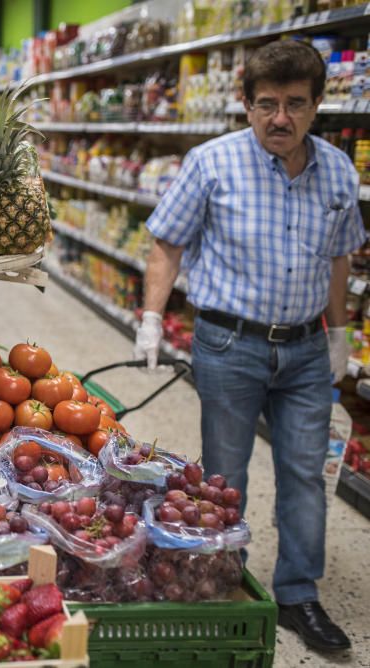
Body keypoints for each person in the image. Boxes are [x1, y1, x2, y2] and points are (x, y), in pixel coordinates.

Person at [134, 40, 363, 652]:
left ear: (318, 104)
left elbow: (340, 258)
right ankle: (219, 582)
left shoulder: (339, 170)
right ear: (246, 104)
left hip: (308, 350)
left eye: (294, 104)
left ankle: (298, 595)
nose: (279, 118)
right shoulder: (211, 163)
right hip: (229, 343)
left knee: (304, 474)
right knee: (223, 476)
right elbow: (166, 244)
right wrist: (151, 318)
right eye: (266, 104)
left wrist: (339, 332)